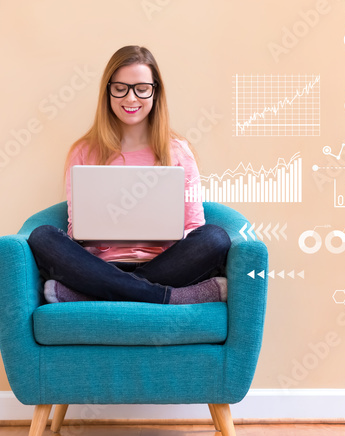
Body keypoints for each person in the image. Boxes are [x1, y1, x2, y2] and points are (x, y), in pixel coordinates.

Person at [27, 45, 231, 304]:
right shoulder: (84, 151)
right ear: (108, 91)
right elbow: (75, 229)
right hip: (97, 266)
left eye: (141, 89)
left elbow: (193, 227)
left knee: (215, 238)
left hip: (166, 267)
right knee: (42, 236)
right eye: (120, 88)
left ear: (155, 92)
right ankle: (169, 297)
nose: (131, 99)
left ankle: (86, 295)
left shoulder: (178, 151)